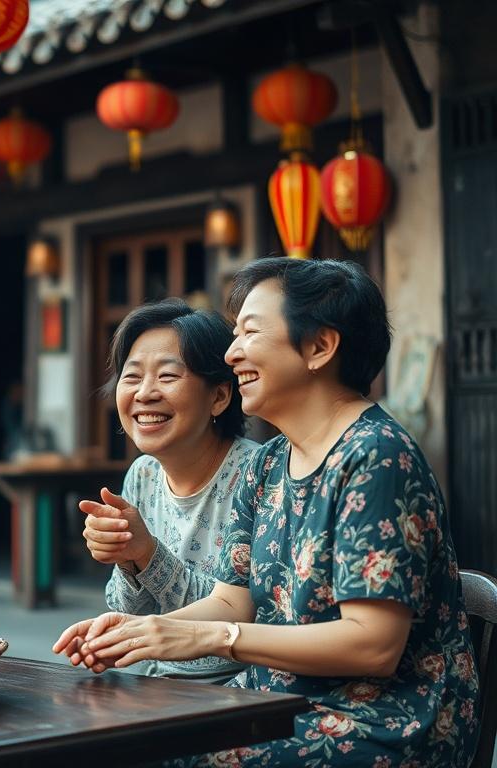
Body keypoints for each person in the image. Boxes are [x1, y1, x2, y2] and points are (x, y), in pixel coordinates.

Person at [55, 258, 480, 767]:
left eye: (249, 332)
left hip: (380, 720)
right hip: (278, 699)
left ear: (320, 347)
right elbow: (233, 604)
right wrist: (132, 630)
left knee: (157, 753)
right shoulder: (272, 462)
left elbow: (373, 647)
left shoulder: (376, 457)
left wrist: (206, 637)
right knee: (101, 732)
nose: (231, 354)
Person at [82, 299, 256, 682]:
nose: (144, 393)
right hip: (159, 680)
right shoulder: (142, 475)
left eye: (167, 376)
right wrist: (128, 561)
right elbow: (137, 612)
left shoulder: (256, 474)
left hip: (240, 687)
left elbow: (240, 613)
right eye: (132, 377)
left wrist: (148, 553)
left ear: (220, 396)